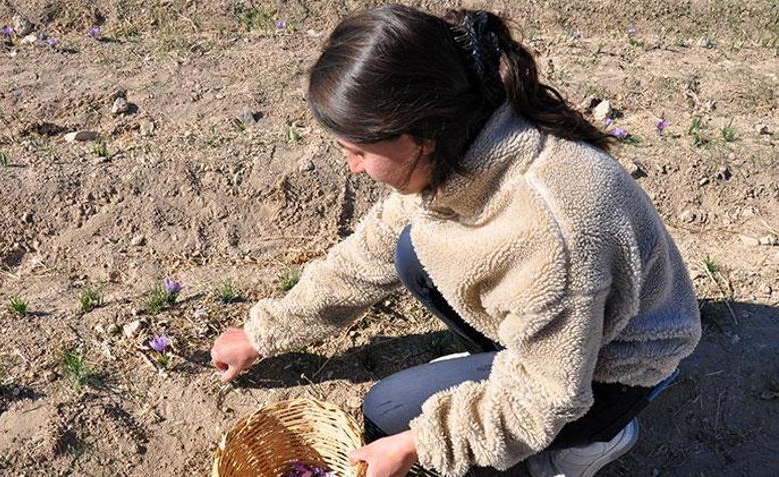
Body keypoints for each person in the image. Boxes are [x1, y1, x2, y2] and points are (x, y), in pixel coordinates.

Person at [210, 5, 701, 477]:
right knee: (410, 249)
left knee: (387, 411)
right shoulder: (464, 137)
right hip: (563, 322)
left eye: (357, 150)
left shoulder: (549, 232)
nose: (352, 167)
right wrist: (263, 334)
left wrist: (416, 443)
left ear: (417, 137)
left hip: (609, 370)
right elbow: (369, 253)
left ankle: (596, 439)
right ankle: (498, 358)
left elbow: (547, 396)